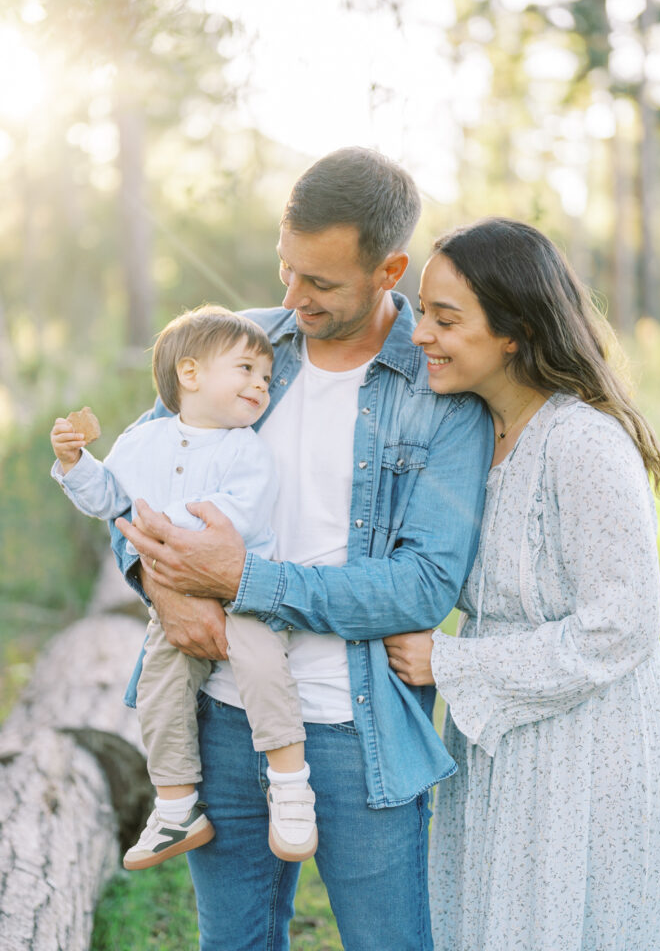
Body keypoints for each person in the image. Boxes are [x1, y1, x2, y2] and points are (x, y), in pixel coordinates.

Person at [113, 147, 493, 951]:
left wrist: (245, 580)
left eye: (318, 282)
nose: (291, 297)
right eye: (287, 269)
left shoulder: (440, 400)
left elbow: (421, 587)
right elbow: (132, 475)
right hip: (218, 716)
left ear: (389, 269)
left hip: (359, 734)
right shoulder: (243, 347)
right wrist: (162, 581)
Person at [383, 217, 660, 951]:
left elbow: (622, 622)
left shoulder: (582, 442)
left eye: (446, 319)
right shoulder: (469, 434)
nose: (420, 333)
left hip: (587, 743)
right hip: (499, 738)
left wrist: (450, 661)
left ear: (513, 331)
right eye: (422, 312)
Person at [50, 305, 319, 870]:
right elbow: (109, 499)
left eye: (266, 379)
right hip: (177, 593)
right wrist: (75, 462)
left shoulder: (247, 450)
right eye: (245, 369)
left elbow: (238, 516)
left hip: (239, 587)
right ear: (190, 375)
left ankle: (291, 784)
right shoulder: (140, 442)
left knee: (263, 664)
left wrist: (163, 535)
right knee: (159, 685)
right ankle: (176, 806)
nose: (259, 385)